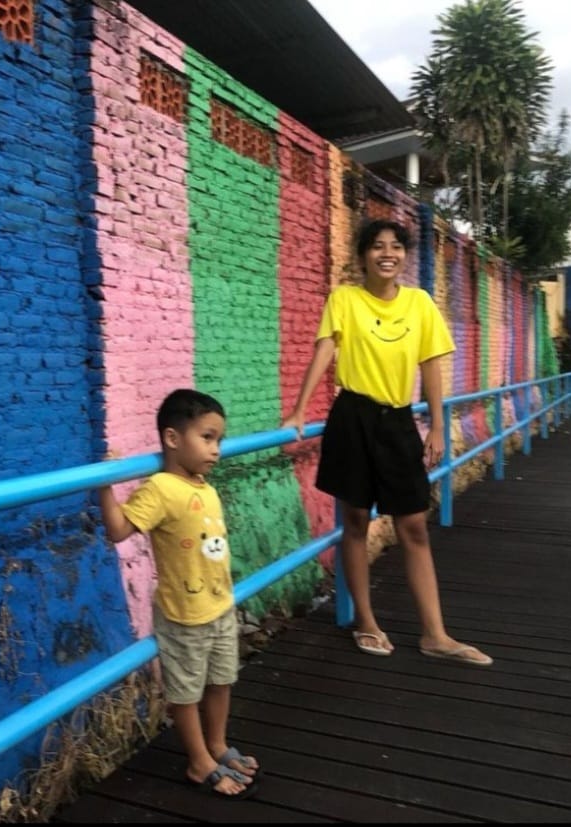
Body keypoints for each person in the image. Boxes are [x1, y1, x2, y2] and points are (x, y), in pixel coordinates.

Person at [282, 219, 492, 667]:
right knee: (355, 520)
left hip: (398, 421)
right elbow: (324, 350)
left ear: (404, 256)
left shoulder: (419, 304)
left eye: (395, 247)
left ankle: (435, 634)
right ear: (362, 256)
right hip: (352, 416)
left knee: (413, 523)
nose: (386, 253)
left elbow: (431, 365)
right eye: (377, 246)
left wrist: (436, 425)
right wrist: (299, 410)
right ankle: (366, 620)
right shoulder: (344, 299)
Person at [99, 389, 261, 799]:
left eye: (219, 440)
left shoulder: (204, 485)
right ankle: (198, 760)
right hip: (184, 614)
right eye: (207, 438)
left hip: (221, 606)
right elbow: (119, 530)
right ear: (173, 439)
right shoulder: (160, 488)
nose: (216, 449)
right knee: (186, 693)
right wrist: (105, 486)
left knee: (223, 680)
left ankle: (218, 744)